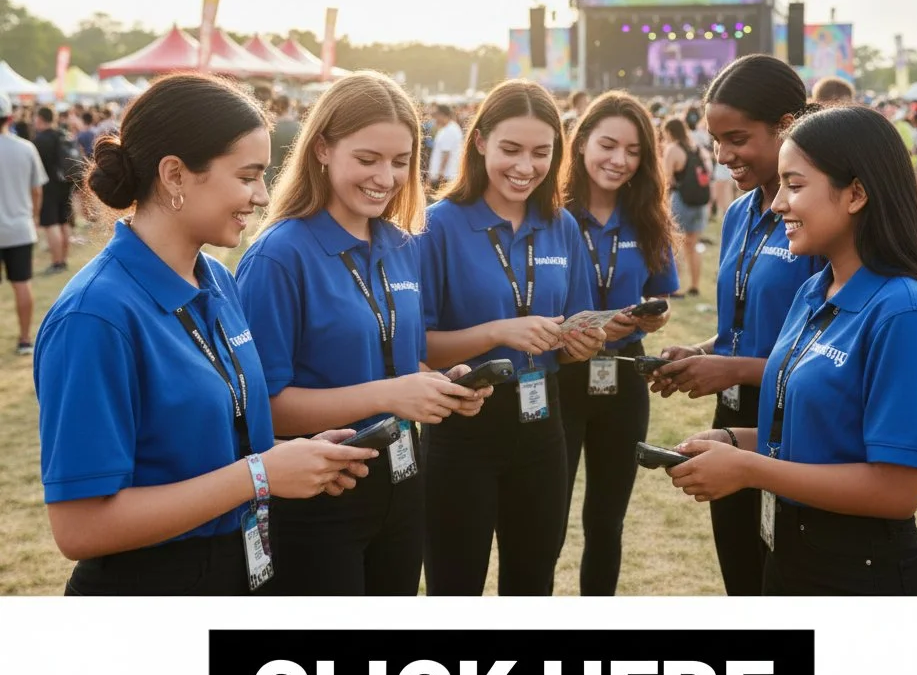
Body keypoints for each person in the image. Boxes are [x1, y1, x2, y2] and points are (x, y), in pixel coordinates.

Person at [33, 73, 377, 596]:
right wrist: (260, 475)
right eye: (247, 176)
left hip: (242, 567)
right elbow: (80, 528)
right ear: (174, 174)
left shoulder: (216, 278)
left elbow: (209, 443)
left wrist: (294, 455)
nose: (262, 196)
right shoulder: (94, 317)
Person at [665, 104, 917, 596]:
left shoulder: (905, 313)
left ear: (857, 194)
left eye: (795, 185)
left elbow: (896, 490)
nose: (778, 202)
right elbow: (821, 438)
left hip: (858, 573)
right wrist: (736, 441)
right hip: (791, 555)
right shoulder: (815, 290)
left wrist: (748, 469)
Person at [235, 72, 488, 595]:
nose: (387, 177)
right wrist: (393, 395)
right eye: (368, 159)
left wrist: (442, 386)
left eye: (400, 162)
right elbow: (266, 408)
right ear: (323, 148)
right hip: (320, 491)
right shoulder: (279, 256)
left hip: (403, 481)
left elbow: (405, 364)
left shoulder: (400, 242)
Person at [418, 79, 606, 595]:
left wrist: (581, 345)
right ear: (479, 142)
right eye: (511, 149)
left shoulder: (561, 225)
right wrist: (498, 333)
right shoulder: (436, 226)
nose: (525, 167)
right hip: (462, 425)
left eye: (541, 153)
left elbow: (577, 326)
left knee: (533, 582)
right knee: (455, 587)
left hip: (543, 426)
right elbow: (417, 347)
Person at [649, 54, 826, 596]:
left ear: (788, 128)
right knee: (742, 578)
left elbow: (826, 350)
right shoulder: (742, 213)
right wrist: (698, 354)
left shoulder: (820, 219)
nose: (722, 155)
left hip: (797, 418)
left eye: (738, 138)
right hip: (733, 417)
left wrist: (727, 368)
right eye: (715, 139)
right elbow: (742, 329)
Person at [557, 91, 678, 595]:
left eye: (633, 151)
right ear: (581, 142)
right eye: (608, 145)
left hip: (625, 376)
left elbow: (660, 296)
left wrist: (653, 316)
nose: (619, 160)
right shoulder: (550, 214)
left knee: (606, 523)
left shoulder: (647, 216)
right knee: (544, 520)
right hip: (558, 375)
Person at [0, 91, 47, 354]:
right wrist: (35, 218)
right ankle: (25, 338)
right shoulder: (25, 148)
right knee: (22, 283)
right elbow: (37, 190)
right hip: (19, 228)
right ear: (9, 117)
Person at [662, 115, 713, 297]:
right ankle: (695, 285)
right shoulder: (697, 149)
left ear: (669, 132)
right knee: (693, 244)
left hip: (681, 200)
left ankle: (675, 288)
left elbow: (666, 179)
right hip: (699, 202)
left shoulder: (673, 149)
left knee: (676, 244)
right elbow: (708, 173)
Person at [32, 106, 73, 274]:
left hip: (48, 186)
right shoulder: (62, 134)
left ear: (40, 119)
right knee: (64, 223)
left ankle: (57, 262)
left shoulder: (39, 140)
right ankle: (63, 260)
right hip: (65, 183)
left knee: (52, 225)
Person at [265, 94, 301, 190]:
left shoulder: (266, 128)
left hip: (267, 176)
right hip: (290, 177)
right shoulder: (298, 128)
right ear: (289, 107)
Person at [427, 103, 463, 192]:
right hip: (444, 175)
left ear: (442, 115)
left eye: (436, 115)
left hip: (445, 176)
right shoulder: (448, 128)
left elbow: (446, 154)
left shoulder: (450, 130)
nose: (435, 118)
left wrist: (439, 175)